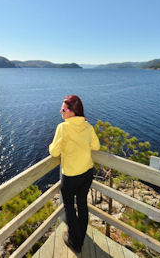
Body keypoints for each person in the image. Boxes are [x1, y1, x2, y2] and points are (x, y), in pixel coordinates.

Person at [49, 95, 100, 253]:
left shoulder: (63, 128)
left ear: (72, 112)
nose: (61, 111)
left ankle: (74, 242)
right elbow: (96, 146)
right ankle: (80, 238)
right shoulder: (87, 126)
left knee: (69, 207)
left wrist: (60, 143)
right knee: (83, 204)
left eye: (64, 109)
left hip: (71, 175)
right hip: (86, 173)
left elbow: (54, 152)